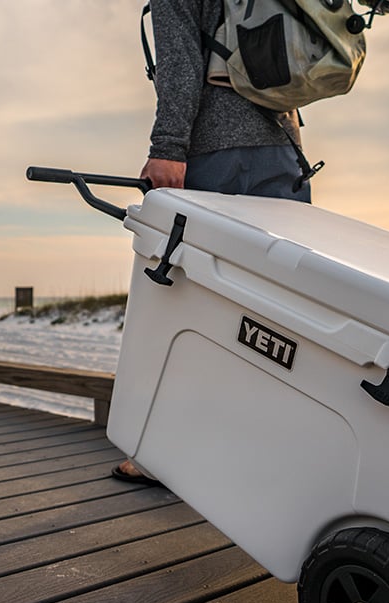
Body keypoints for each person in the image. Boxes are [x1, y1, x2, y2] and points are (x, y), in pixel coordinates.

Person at [112, 0, 312, 486]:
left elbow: (181, 61)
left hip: (216, 151)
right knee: (273, 309)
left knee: (187, 302)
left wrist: (168, 147)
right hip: (284, 150)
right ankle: (260, 448)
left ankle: (165, 453)